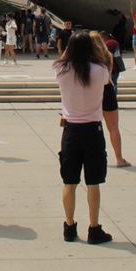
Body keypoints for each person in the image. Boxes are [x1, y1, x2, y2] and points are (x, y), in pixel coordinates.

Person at [54, 31, 113, 244]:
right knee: (93, 183)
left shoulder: (61, 70)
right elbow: (107, 69)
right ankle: (94, 227)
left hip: (70, 130)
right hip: (92, 130)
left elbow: (62, 59)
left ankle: (69, 226)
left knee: (69, 182)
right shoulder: (100, 71)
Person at [91, 31, 130, 168]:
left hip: (92, 91)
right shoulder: (107, 55)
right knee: (113, 127)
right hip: (107, 88)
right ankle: (119, 158)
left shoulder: (87, 57)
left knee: (92, 126)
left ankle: (94, 156)